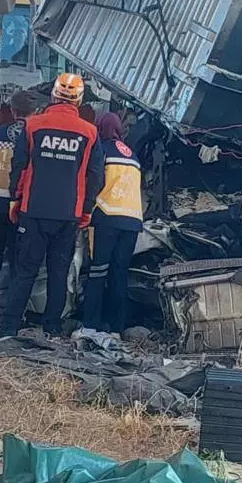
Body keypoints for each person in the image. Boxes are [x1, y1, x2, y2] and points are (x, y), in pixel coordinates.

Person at [0, 74, 104, 340]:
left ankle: (8, 326)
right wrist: (86, 210)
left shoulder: (33, 126)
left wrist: (15, 200)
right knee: (59, 272)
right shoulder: (90, 133)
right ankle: (52, 327)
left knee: (25, 270)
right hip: (69, 213)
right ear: (79, 99)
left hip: (34, 210)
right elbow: (95, 176)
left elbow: (18, 167)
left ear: (53, 96)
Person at [78, 111, 143, 336]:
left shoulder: (101, 150)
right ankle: (116, 328)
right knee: (119, 274)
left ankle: (90, 326)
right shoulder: (132, 155)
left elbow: (94, 182)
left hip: (106, 217)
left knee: (97, 273)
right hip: (133, 221)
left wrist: (84, 210)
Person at [0, 90, 37, 324]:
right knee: (17, 258)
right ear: (33, 112)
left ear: (12, 111)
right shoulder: (35, 135)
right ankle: (13, 311)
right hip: (21, 203)